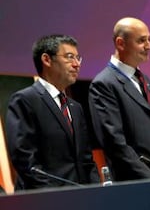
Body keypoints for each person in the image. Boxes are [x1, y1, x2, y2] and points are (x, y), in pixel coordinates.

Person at [88, 17, 150, 181]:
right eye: (141, 41)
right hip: (140, 183)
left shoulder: (143, 79)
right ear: (120, 43)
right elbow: (115, 144)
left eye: (149, 40)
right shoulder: (104, 84)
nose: (149, 46)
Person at [6, 34, 100, 189]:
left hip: (83, 198)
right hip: (46, 200)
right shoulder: (24, 100)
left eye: (78, 58)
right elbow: (25, 160)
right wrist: (54, 195)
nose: (76, 64)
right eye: (70, 57)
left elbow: (87, 159)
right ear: (46, 59)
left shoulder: (76, 107)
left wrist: (96, 190)